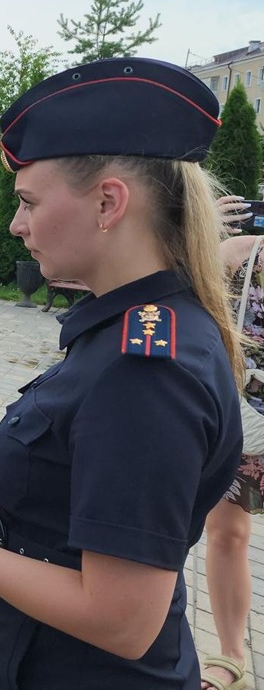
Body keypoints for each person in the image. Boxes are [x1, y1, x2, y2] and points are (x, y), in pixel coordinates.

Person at [0, 57, 245, 689]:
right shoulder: (130, 329)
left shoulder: (147, 372)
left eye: (30, 202)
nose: (16, 225)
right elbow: (81, 476)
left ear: (108, 203)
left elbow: (121, 620)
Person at [198, 196, 264, 690]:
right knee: (227, 534)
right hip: (249, 423)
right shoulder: (239, 254)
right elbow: (162, 283)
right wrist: (197, 231)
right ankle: (232, 656)